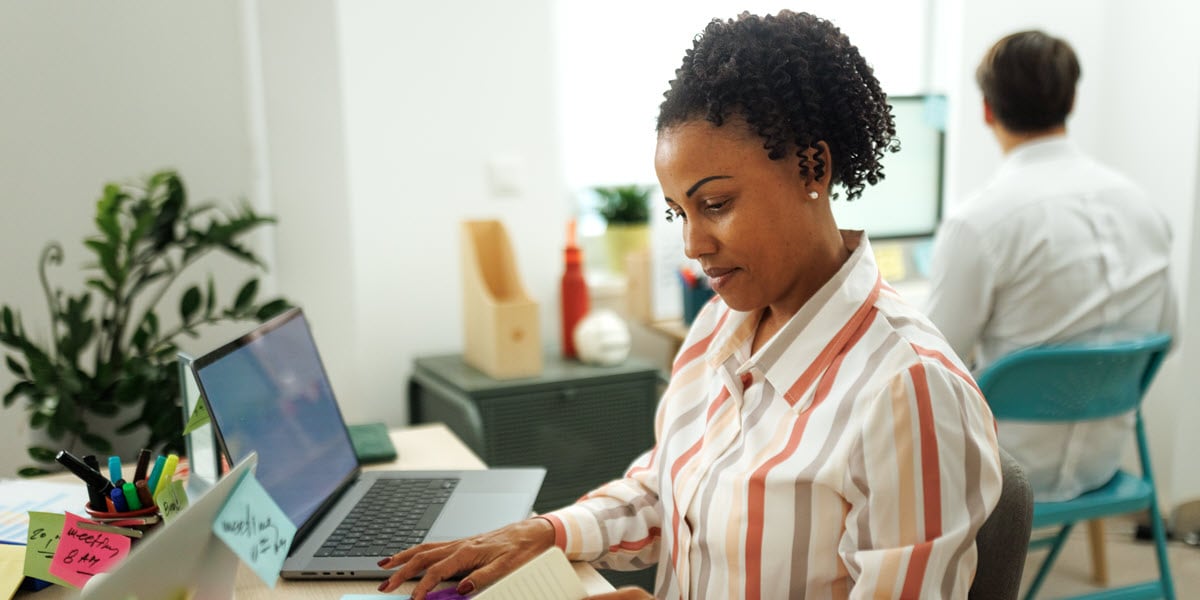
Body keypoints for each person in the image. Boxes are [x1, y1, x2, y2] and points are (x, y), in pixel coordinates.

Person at [380, 11, 1001, 598]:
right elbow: (668, 485)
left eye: (716, 204)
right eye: (680, 212)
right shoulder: (720, 326)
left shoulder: (907, 389)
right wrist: (548, 531)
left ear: (812, 165)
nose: (693, 244)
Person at [924, 30, 1178, 502]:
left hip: (1003, 473)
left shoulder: (978, 222)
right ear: (1073, 100)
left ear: (987, 109)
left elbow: (934, 363)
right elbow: (1169, 337)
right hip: (1106, 463)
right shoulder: (1143, 206)